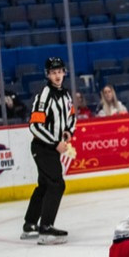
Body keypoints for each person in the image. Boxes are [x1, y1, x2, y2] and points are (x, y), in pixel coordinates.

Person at [22, 57, 76, 245]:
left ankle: (30, 224)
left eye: (59, 71)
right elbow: (35, 126)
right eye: (53, 72)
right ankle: (46, 228)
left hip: (51, 147)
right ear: (48, 75)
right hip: (42, 147)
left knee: (45, 185)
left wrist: (68, 131)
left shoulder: (66, 95)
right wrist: (55, 143)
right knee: (56, 184)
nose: (57, 75)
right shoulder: (44, 95)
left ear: (64, 72)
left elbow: (71, 116)